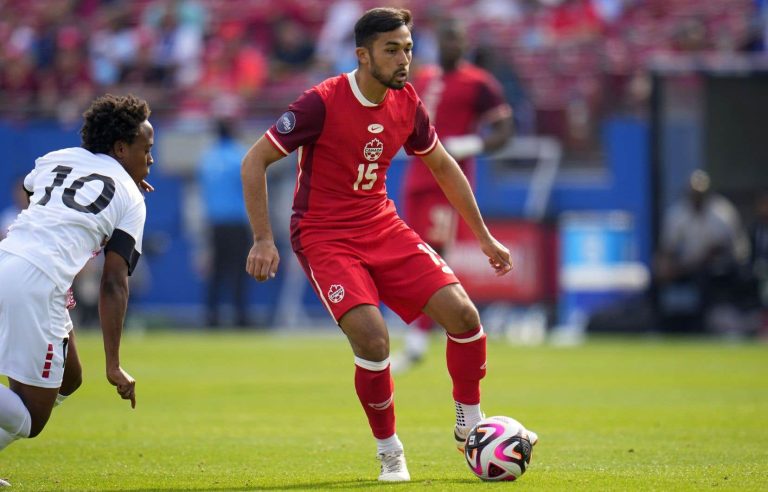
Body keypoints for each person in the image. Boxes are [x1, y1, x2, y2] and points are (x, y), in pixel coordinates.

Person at [240, 8, 536, 482]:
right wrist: (262, 238)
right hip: (324, 235)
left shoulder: (409, 101)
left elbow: (443, 167)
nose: (405, 59)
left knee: (464, 317)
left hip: (380, 224)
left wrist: (484, 237)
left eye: (409, 48)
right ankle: (389, 451)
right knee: (374, 340)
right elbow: (254, 161)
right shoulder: (320, 102)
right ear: (363, 55)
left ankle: (470, 425)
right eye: (392, 50)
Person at [0, 94, 154, 486]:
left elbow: (34, 191)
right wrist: (115, 362)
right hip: (37, 283)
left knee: (70, 379)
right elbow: (114, 281)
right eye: (146, 150)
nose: (151, 160)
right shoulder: (131, 197)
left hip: (9, 259)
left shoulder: (56, 157)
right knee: (31, 420)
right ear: (121, 148)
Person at [393, 18, 513, 373]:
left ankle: (419, 340)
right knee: (410, 257)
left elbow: (505, 129)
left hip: (447, 185)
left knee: (431, 258)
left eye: (457, 39)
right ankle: (426, 332)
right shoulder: (425, 77)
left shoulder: (479, 83)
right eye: (446, 39)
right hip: (416, 178)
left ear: (465, 44)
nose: (451, 46)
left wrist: (469, 143)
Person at [654, 170, 748, 333]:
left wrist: (684, 267)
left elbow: (717, 251)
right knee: (656, 278)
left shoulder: (721, 213)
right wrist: (665, 267)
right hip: (688, 265)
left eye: (701, 194)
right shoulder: (678, 214)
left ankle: (702, 327)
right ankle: (660, 326)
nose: (697, 198)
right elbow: (668, 248)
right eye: (694, 194)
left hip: (723, 265)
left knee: (705, 277)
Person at [198, 118, 251, 327]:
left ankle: (211, 317)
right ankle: (240, 317)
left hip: (214, 223)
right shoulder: (240, 155)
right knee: (239, 272)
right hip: (237, 222)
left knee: (215, 274)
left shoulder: (207, 158)